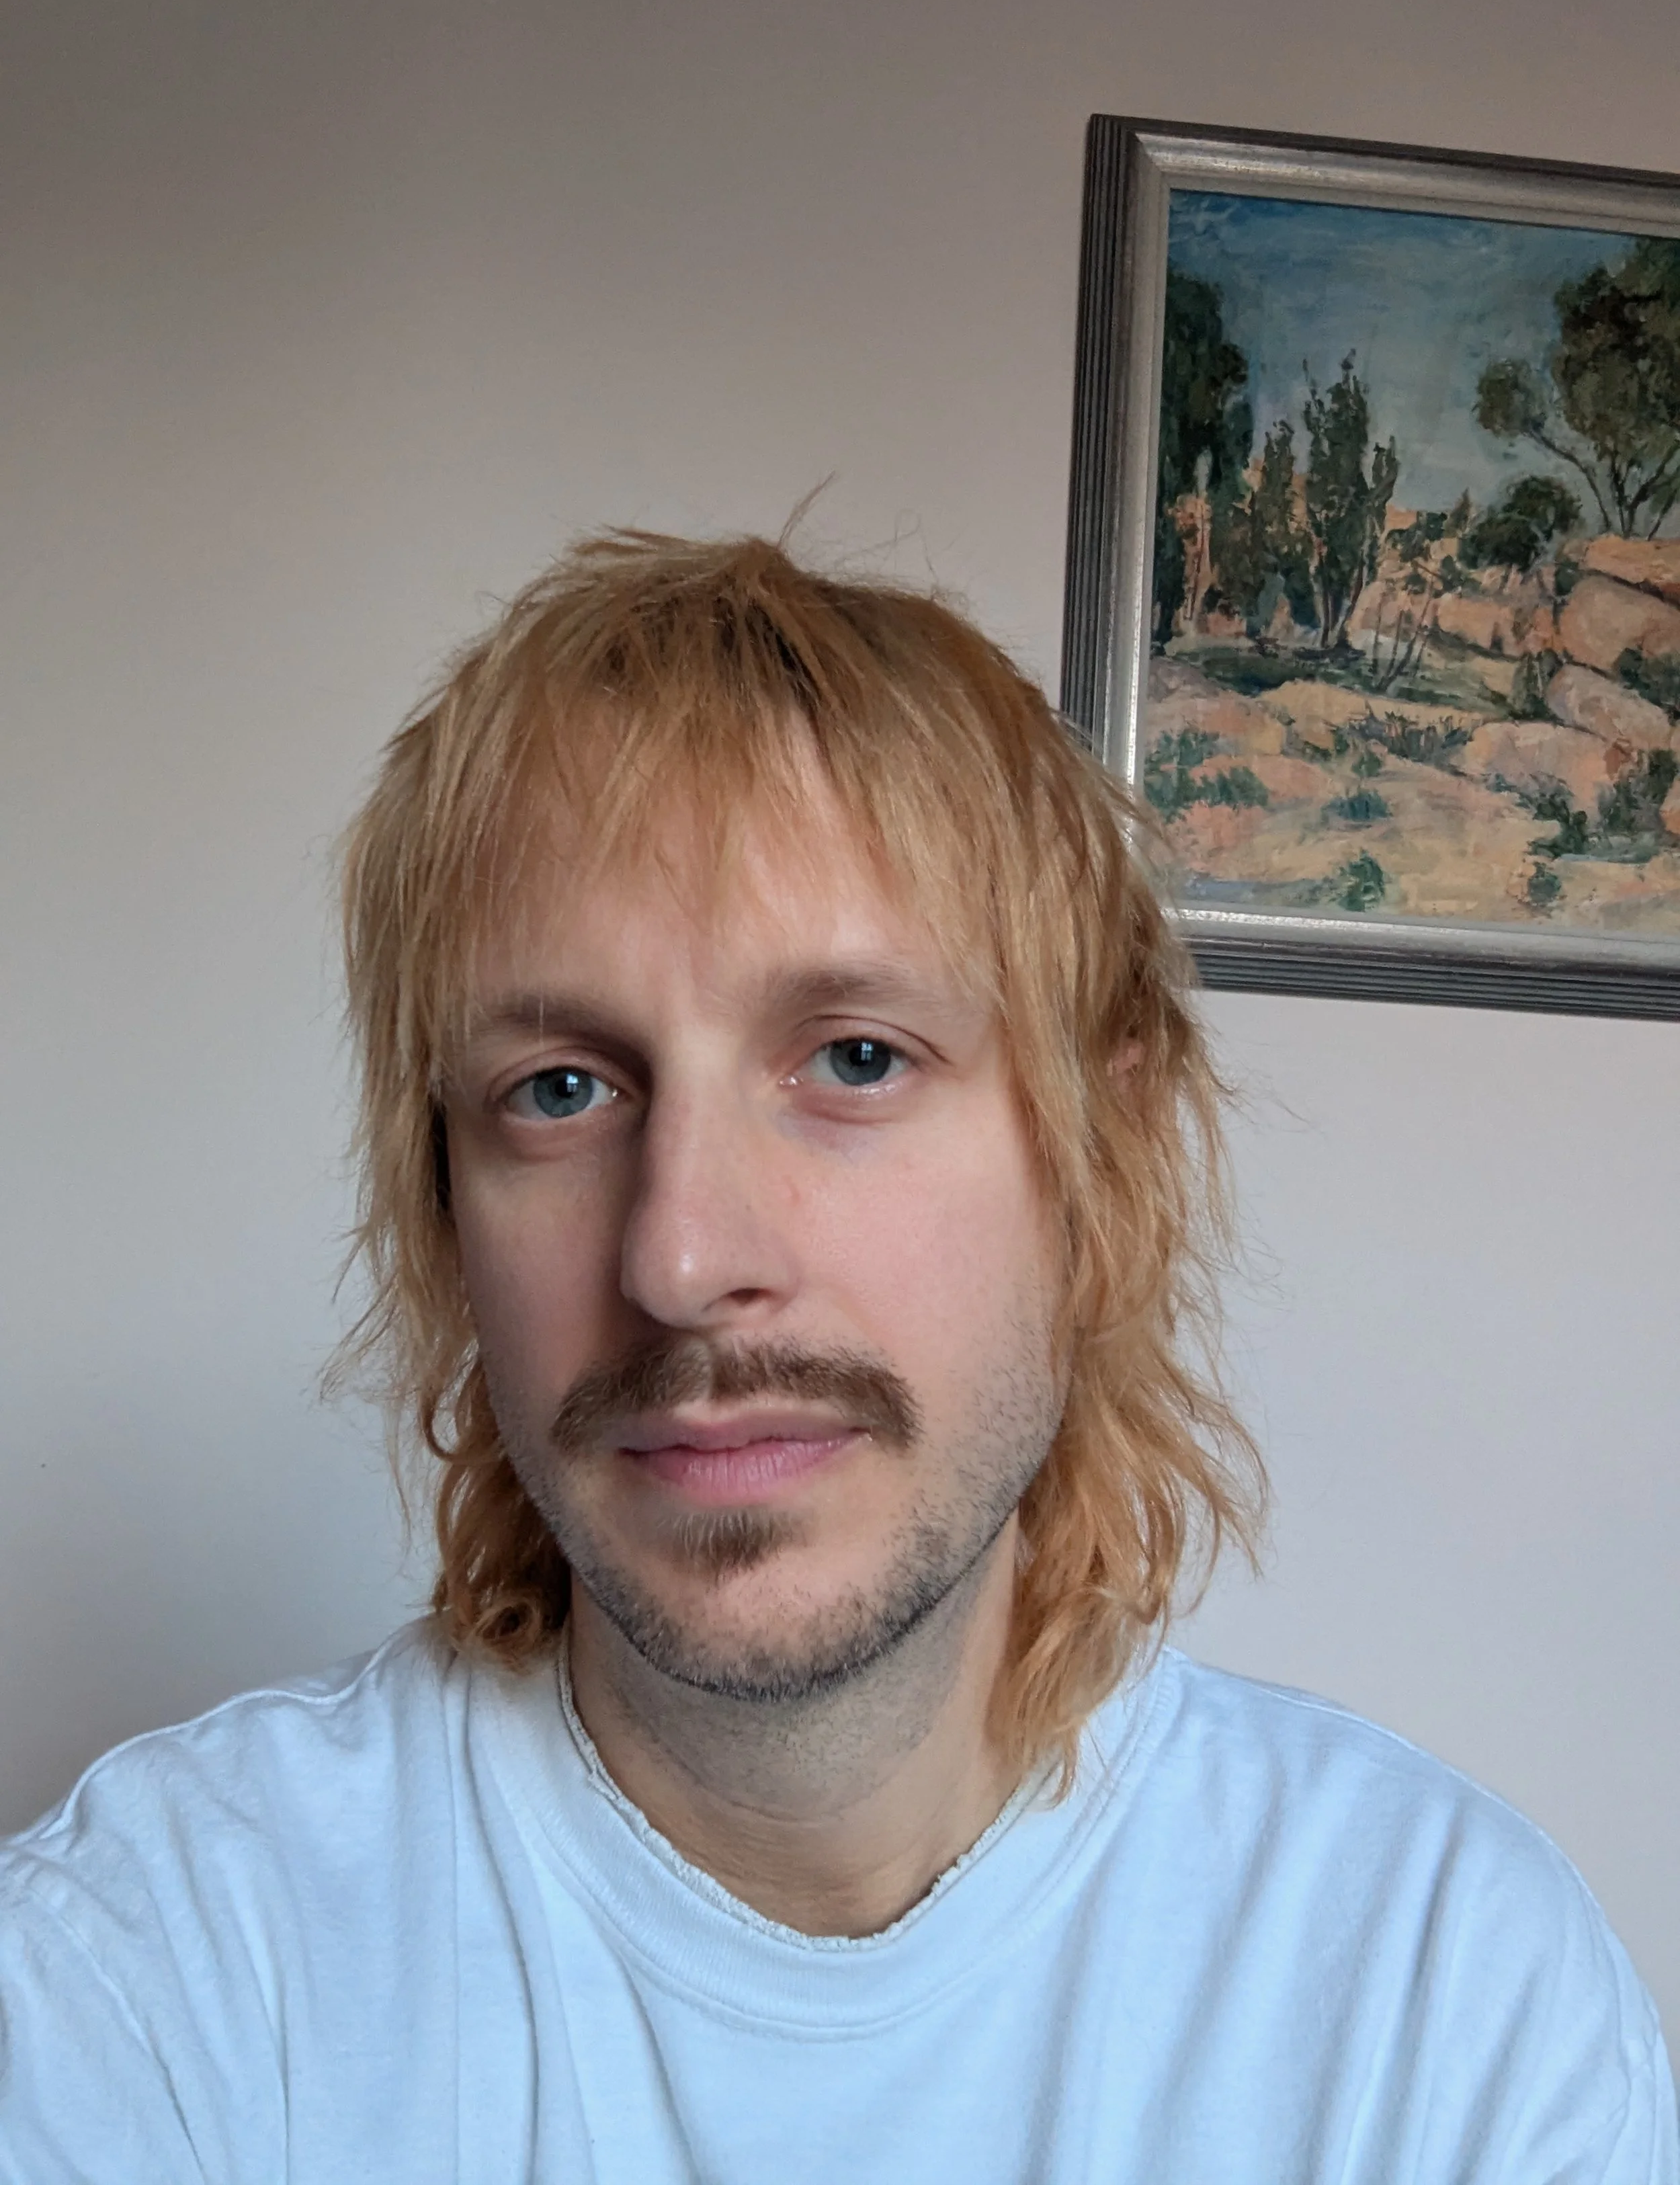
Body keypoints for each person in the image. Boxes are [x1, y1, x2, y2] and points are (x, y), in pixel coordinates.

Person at [0, 529, 1672, 2183]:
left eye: (855, 1058)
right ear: (446, 1212)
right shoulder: (144, 1980)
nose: (678, 1261)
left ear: (1102, 1159)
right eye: (559, 1089)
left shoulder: (1440, 2005)